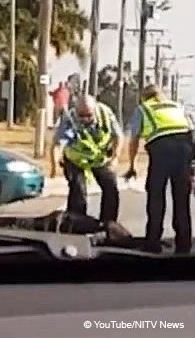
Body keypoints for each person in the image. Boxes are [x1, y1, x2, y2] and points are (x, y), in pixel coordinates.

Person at [125, 84, 195, 254]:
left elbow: (133, 139)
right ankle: (184, 245)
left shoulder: (143, 109)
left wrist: (132, 165)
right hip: (185, 147)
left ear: (144, 97)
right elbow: (192, 130)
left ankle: (153, 243)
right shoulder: (177, 106)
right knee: (182, 199)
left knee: (156, 197)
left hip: (161, 149)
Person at [50, 95, 124, 224]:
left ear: (94, 110)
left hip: (100, 158)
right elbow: (57, 144)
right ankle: (76, 224)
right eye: (81, 115)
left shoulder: (105, 113)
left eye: (89, 115)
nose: (85, 119)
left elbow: (119, 136)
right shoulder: (69, 119)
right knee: (78, 190)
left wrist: (115, 158)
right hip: (76, 159)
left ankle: (108, 225)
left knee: (110, 188)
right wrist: (54, 166)